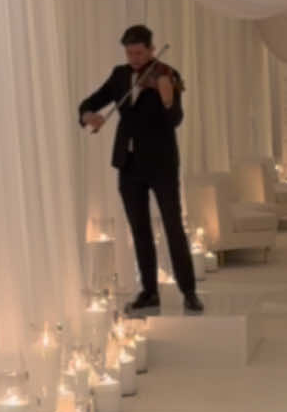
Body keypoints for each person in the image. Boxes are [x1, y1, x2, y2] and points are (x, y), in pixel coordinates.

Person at [78, 25, 203, 316]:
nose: (134, 58)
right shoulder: (120, 76)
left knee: (173, 226)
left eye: (139, 52)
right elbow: (90, 102)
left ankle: (189, 292)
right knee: (140, 229)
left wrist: (167, 97)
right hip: (129, 163)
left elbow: (175, 119)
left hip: (161, 163)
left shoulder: (166, 74)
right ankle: (148, 292)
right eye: (129, 53)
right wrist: (88, 116)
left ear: (150, 48)